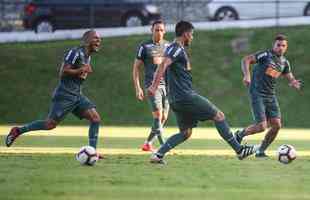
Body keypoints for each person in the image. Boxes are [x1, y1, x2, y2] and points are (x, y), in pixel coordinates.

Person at [147, 21, 257, 164]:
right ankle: (239, 150)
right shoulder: (176, 49)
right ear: (186, 34)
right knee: (219, 116)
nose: (192, 38)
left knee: (185, 133)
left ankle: (158, 155)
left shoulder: (173, 49)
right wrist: (154, 86)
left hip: (175, 99)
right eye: (191, 34)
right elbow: (163, 64)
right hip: (185, 96)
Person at [5, 30, 103, 159]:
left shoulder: (87, 57)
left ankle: (92, 152)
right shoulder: (75, 52)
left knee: (95, 118)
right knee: (49, 125)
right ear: (87, 40)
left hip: (77, 95)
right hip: (65, 95)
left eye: (99, 39)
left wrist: (81, 71)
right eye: (95, 38)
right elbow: (63, 72)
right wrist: (81, 69)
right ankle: (18, 130)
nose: (99, 41)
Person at [234, 34, 301, 157]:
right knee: (261, 126)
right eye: (278, 45)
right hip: (257, 93)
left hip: (271, 95)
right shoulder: (266, 55)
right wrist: (247, 75)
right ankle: (239, 134)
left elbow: (288, 75)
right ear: (274, 45)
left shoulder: (285, 62)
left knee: (276, 125)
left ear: (286, 47)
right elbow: (246, 59)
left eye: (283, 45)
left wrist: (293, 81)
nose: (280, 47)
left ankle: (260, 151)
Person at [132, 20, 170, 152]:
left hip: (167, 87)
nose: (159, 32)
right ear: (151, 30)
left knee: (164, 118)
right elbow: (136, 68)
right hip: (152, 87)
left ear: (164, 31)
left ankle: (148, 143)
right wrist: (138, 88)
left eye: (161, 30)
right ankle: (164, 146)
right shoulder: (144, 46)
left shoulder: (168, 46)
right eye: (156, 30)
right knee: (158, 116)